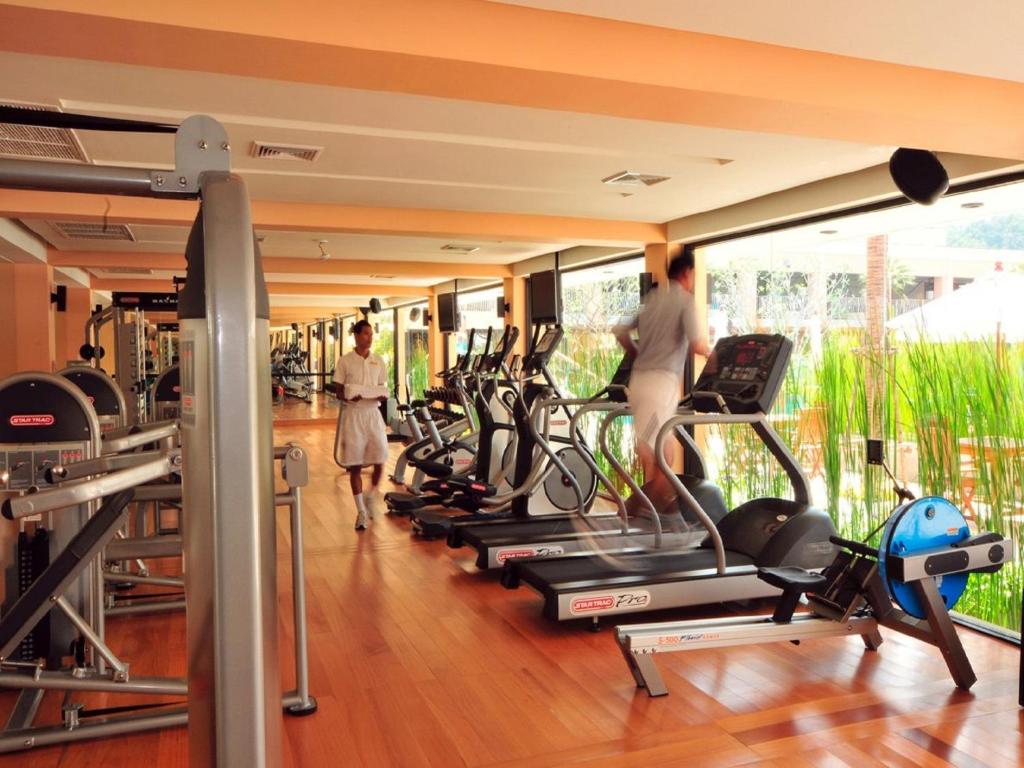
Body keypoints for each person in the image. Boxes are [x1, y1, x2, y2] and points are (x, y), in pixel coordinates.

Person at [614, 250, 711, 512]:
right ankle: (642, 511)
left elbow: (620, 330)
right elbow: (697, 344)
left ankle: (651, 513)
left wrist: (637, 352)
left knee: (652, 448)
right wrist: (715, 355)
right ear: (688, 273)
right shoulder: (685, 301)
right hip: (661, 382)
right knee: (665, 452)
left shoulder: (650, 299)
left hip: (638, 382)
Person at [333, 320, 390, 530]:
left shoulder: (378, 361)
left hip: (373, 414)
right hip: (353, 414)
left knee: (380, 458)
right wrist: (349, 396)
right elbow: (338, 391)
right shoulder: (345, 361)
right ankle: (361, 512)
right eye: (366, 334)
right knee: (355, 465)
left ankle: (371, 495)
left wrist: (382, 396)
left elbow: (382, 387)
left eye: (371, 334)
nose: (370, 337)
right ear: (356, 336)